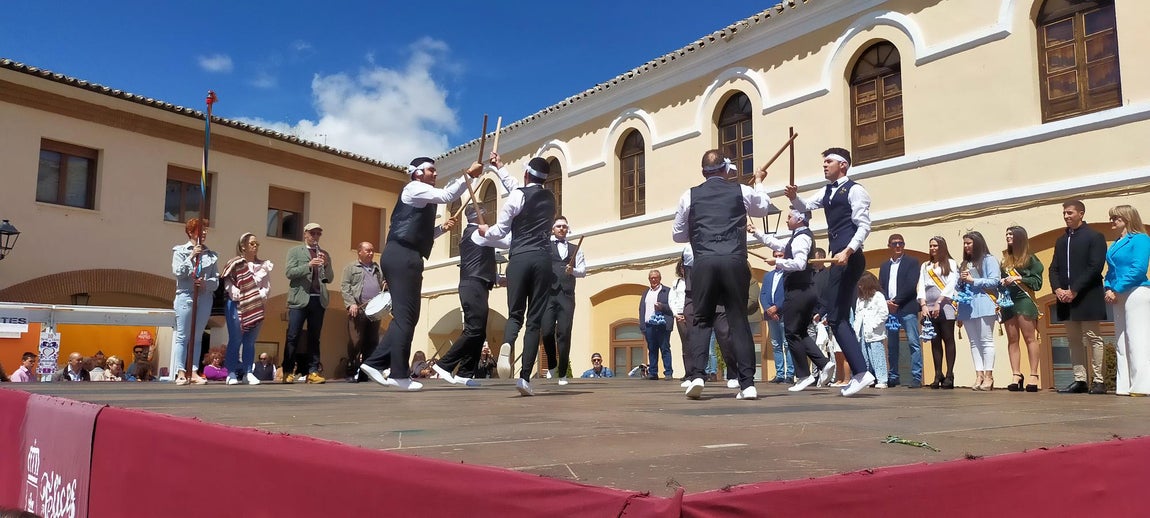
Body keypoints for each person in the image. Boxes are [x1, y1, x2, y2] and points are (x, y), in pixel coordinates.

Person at [360, 157, 479, 391]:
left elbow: (416, 233)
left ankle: (375, 363)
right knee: (406, 317)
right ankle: (398, 374)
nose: (435, 174)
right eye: (431, 170)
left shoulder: (421, 197)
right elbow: (447, 196)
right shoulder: (414, 188)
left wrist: (440, 230)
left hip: (407, 255)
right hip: (402, 256)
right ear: (417, 173)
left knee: (408, 317)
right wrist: (469, 175)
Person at [672, 149, 774, 400]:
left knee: (701, 319)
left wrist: (698, 232)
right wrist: (759, 181)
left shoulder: (689, 195)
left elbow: (678, 235)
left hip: (704, 261)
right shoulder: (742, 190)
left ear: (702, 171)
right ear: (725, 169)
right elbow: (764, 208)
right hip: (734, 260)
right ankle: (748, 383)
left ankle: (697, 375)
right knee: (738, 320)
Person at [479, 153, 557, 397]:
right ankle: (524, 378)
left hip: (519, 258)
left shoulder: (517, 196)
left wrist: (485, 231)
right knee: (534, 320)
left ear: (526, 175)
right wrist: (500, 168)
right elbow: (518, 189)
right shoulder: (551, 198)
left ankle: (507, 343)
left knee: (515, 313)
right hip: (543, 259)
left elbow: (501, 229)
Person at [750, 211, 834, 392]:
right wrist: (756, 232)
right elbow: (778, 244)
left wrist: (778, 262)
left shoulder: (802, 238)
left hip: (798, 291)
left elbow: (800, 263)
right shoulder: (797, 237)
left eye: (790, 217)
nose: (787, 219)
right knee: (800, 332)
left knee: (791, 333)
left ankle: (803, 375)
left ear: (800, 219)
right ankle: (823, 363)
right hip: (804, 290)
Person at [433, 206, 507, 387]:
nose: (490, 215)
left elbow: (477, 261)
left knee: (479, 332)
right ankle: (444, 365)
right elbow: (507, 242)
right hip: (473, 285)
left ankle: (465, 373)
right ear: (482, 215)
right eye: (488, 213)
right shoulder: (478, 233)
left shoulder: (474, 235)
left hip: (477, 284)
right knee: (474, 329)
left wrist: (497, 278)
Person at [1049, 200, 1109, 394]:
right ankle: (1080, 379)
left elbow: (1095, 267)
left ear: (1081, 214)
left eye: (1070, 213)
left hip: (1087, 295)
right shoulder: (1061, 240)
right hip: (1065, 298)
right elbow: (1053, 268)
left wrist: (1074, 290)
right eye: (1064, 213)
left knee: (1093, 337)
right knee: (1073, 339)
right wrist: (1058, 289)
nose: (1066, 216)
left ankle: (1099, 381)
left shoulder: (1094, 237)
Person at [1103, 205, 1150, 396]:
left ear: (1127, 219)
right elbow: (1111, 270)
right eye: (1112, 217)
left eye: (1116, 217)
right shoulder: (1115, 243)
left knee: (1137, 338)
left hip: (1136, 291)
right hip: (1118, 293)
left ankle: (1142, 385)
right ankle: (1124, 385)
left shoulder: (1140, 239)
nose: (1112, 221)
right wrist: (1107, 287)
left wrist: (1117, 288)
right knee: (1121, 340)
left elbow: (1138, 268)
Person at [282, 222, 333, 384]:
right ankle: (288, 371)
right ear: (305, 234)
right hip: (300, 299)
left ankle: (313, 371)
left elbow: (329, 278)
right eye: (312, 233)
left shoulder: (324, 253)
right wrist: (308, 265)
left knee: (314, 337)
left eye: (318, 233)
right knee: (293, 336)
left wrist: (325, 265)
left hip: (318, 299)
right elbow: (289, 272)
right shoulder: (295, 251)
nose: (315, 236)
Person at [171, 218, 218, 386]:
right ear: (191, 232)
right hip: (185, 295)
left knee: (198, 337)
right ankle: (180, 371)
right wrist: (191, 256)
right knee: (183, 336)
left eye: (205, 230)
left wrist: (206, 283)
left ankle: (194, 370)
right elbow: (178, 273)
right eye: (201, 230)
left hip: (204, 297)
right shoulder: (180, 251)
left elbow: (216, 281)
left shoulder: (211, 255)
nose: (204, 233)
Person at [540, 216, 587, 386]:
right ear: (553, 229)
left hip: (567, 296)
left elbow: (583, 271)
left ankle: (562, 373)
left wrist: (572, 271)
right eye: (558, 226)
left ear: (568, 229)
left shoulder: (576, 249)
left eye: (564, 226)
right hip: (548, 295)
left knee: (565, 333)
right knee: (546, 332)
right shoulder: (545, 247)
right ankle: (551, 364)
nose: (562, 229)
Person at [222, 232, 273, 386]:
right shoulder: (234, 264)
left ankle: (248, 372)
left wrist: (260, 295)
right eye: (252, 243)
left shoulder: (263, 266)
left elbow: (267, 286)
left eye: (257, 244)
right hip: (237, 305)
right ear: (242, 246)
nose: (255, 246)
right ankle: (230, 372)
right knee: (236, 339)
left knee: (250, 341)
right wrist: (238, 293)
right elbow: (228, 283)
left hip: (256, 306)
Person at [1000, 226, 1044, 392]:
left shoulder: (1030, 259)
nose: (1008, 237)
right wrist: (1003, 283)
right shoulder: (1005, 260)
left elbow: (1037, 282)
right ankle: (1016, 374)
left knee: (1029, 337)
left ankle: (1033, 374)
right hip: (1008, 300)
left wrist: (1019, 277)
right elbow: (1000, 279)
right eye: (1007, 234)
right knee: (1012, 338)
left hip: (1024, 299)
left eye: (1011, 234)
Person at [956, 231, 1001, 391]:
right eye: (965, 243)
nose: (966, 246)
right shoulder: (964, 263)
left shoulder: (989, 260)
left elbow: (995, 281)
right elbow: (958, 286)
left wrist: (973, 280)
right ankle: (979, 375)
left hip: (985, 303)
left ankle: (989, 375)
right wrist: (960, 280)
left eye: (969, 243)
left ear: (978, 243)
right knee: (974, 342)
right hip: (968, 306)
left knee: (986, 340)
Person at [879, 233, 922, 388]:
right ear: (889, 246)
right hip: (891, 311)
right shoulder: (884, 266)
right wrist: (887, 302)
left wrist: (896, 301)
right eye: (895, 243)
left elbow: (911, 285)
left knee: (913, 342)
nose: (898, 246)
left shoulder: (912, 262)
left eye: (901, 243)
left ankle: (916, 377)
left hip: (907, 308)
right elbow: (881, 286)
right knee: (892, 345)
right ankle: (893, 375)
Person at [918, 236, 960, 389]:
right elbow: (921, 285)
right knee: (934, 340)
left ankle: (949, 374)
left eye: (935, 245)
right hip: (928, 305)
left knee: (948, 338)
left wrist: (939, 301)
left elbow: (951, 283)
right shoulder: (925, 265)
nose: (933, 248)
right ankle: (938, 373)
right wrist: (923, 304)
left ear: (942, 247)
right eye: (931, 246)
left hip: (946, 304)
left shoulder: (951, 263)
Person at [341, 241, 384, 383]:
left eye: (372, 250)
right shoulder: (351, 268)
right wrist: (350, 304)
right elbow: (345, 286)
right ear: (359, 252)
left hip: (375, 310)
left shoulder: (377, 268)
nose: (371, 253)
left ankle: (365, 373)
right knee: (356, 340)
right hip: (358, 310)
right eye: (368, 250)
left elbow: (383, 282)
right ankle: (351, 369)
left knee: (372, 342)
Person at [758, 249, 794, 384]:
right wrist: (768, 309)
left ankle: (790, 374)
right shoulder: (768, 276)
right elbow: (763, 294)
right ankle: (779, 373)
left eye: (780, 256)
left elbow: (788, 294)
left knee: (787, 344)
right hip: (770, 315)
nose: (778, 258)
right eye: (776, 256)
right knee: (776, 344)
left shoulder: (789, 274)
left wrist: (777, 307)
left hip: (784, 314)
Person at [854, 271, 890, 388]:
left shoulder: (878, 296)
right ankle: (869, 379)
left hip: (874, 332)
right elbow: (857, 314)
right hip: (862, 332)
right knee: (865, 356)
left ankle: (882, 379)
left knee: (877, 355)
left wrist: (874, 325)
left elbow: (884, 313)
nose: (860, 286)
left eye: (862, 284)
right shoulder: (860, 299)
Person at [639, 269, 675, 381]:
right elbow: (641, 309)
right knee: (652, 349)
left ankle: (668, 372)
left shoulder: (667, 291)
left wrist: (662, 307)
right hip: (649, 325)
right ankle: (653, 372)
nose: (654, 279)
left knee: (665, 348)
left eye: (656, 277)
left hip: (662, 324)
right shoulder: (646, 292)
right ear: (649, 279)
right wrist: (642, 325)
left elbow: (674, 306)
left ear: (660, 278)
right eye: (651, 278)